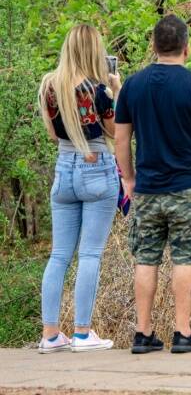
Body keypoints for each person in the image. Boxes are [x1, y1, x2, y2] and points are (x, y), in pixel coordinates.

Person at [114, 14, 191, 354]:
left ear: (154, 46)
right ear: (186, 47)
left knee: (146, 259)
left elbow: (121, 141)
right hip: (187, 188)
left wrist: (129, 179)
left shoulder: (133, 85)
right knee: (184, 258)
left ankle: (143, 333)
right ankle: (182, 332)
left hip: (147, 190)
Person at [37, 24, 122, 353]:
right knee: (89, 254)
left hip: (64, 170)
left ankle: (50, 334)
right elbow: (115, 131)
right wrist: (116, 89)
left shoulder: (49, 87)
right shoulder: (99, 90)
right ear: (93, 52)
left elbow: (53, 135)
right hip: (97, 169)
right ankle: (84, 333)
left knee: (59, 255)